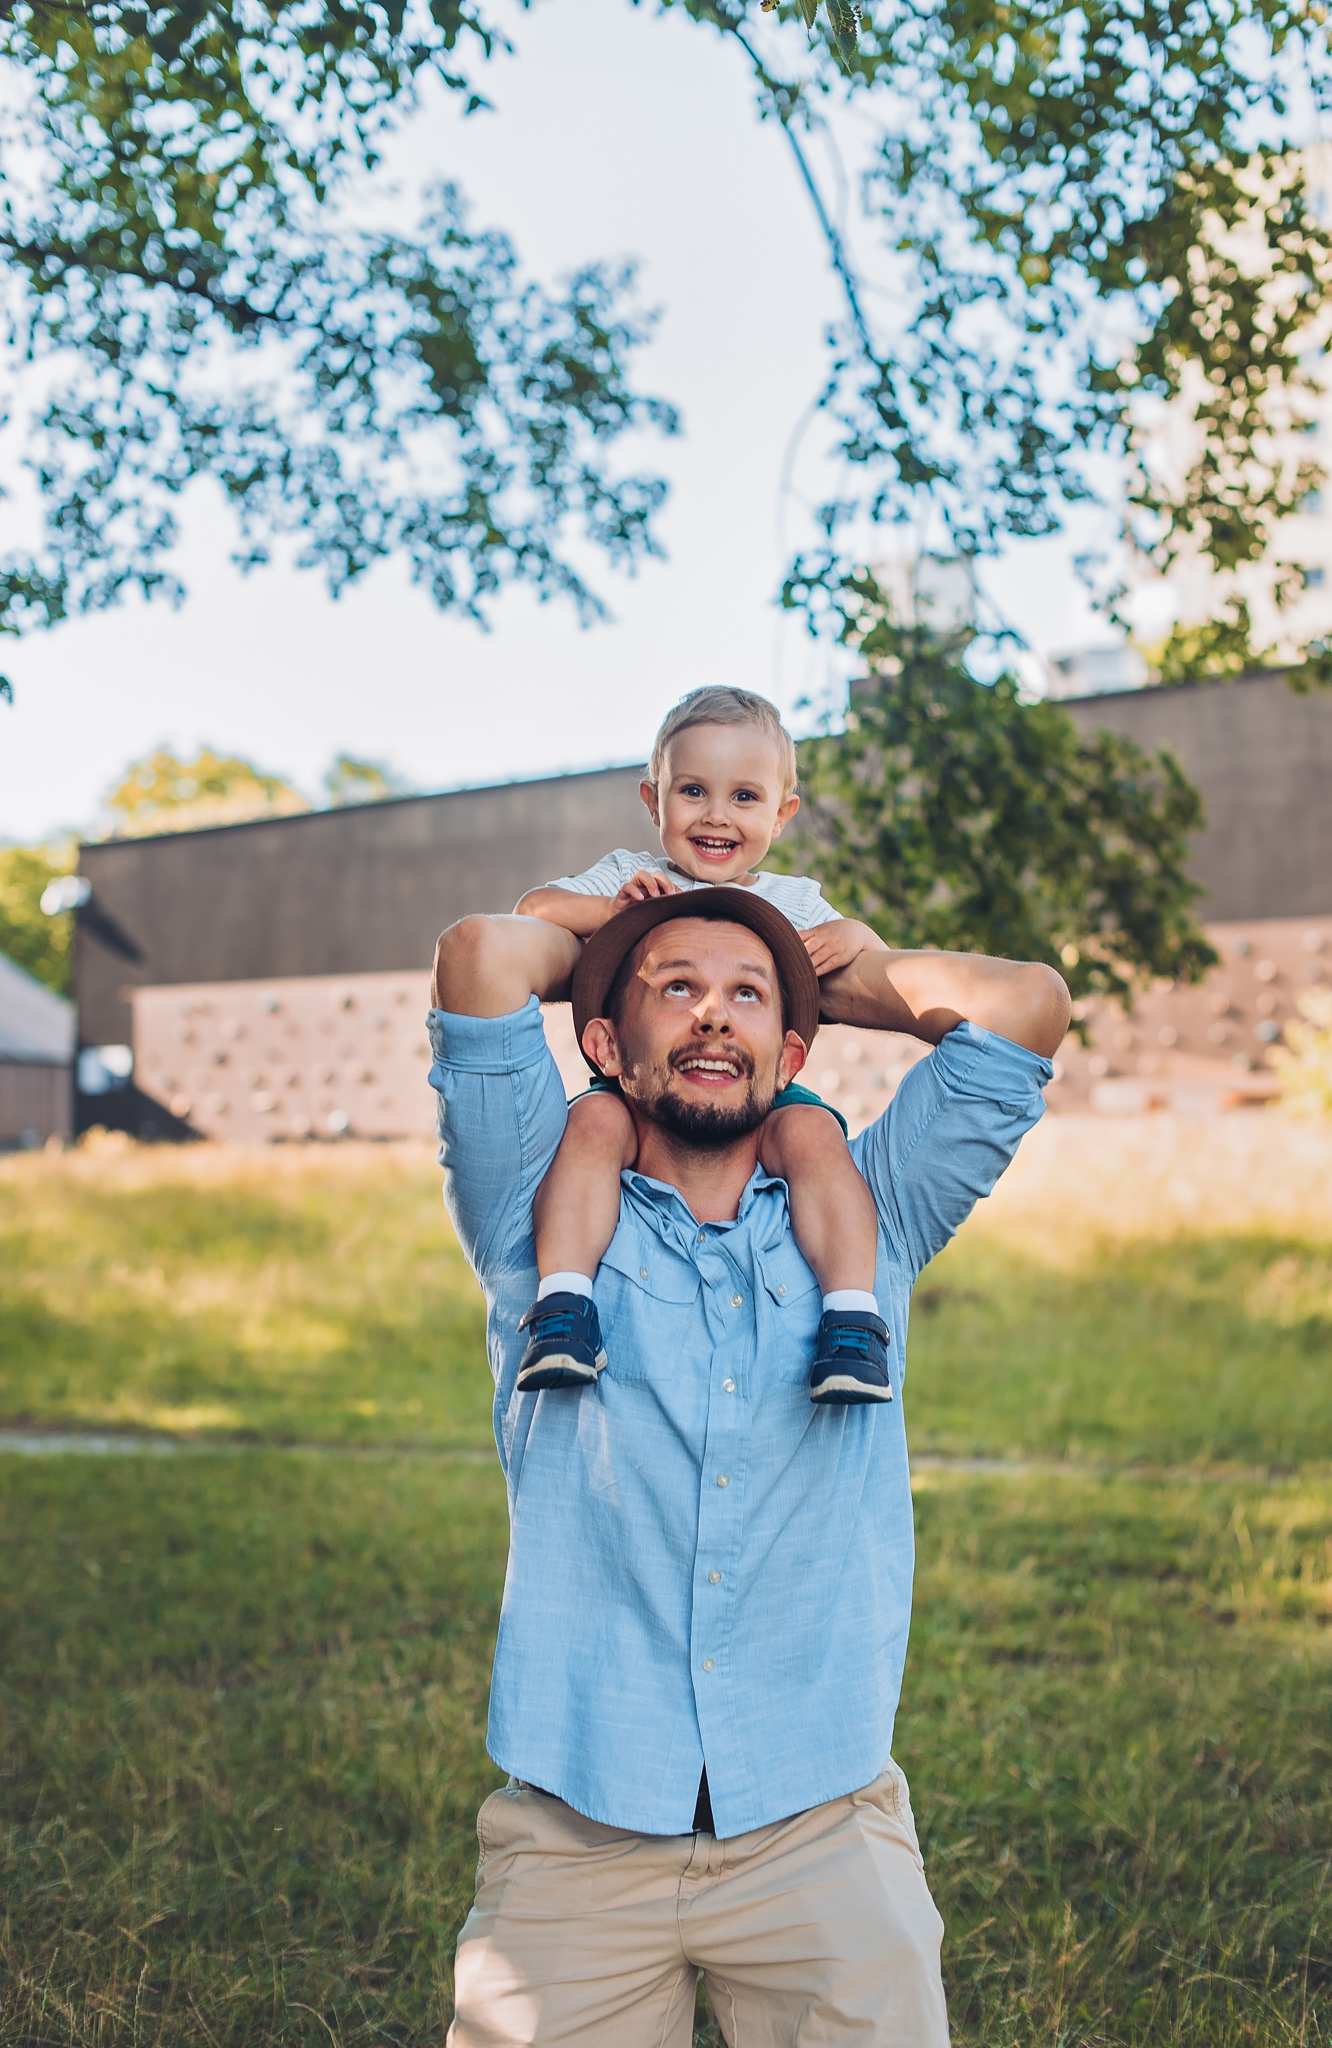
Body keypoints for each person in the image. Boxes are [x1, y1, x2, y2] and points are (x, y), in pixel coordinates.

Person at [428, 884, 1069, 2047]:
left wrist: (833, 975)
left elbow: (1026, 1004)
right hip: (582, 1839)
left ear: (791, 1047)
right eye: (675, 991)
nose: (711, 1018)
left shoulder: (871, 1211)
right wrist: (612, 932)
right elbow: (477, 956)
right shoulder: (538, 1205)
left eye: (744, 999)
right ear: (608, 1043)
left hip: (817, 1822)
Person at [512, 685, 893, 1404]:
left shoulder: (794, 899)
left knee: (813, 1132)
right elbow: (532, 910)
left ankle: (851, 1318)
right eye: (692, 791)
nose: (716, 815)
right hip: (642, 1082)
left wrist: (855, 938)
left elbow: (863, 950)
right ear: (653, 801)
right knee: (589, 1123)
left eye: (744, 797)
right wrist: (613, 909)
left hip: (755, 1087)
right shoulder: (630, 874)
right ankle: (563, 1305)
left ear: (782, 814)